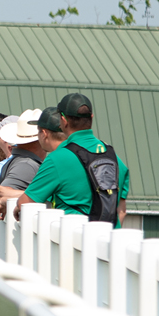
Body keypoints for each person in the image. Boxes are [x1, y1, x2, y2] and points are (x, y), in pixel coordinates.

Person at [15, 93, 130, 226]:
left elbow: (25, 203)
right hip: (109, 236)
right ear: (91, 117)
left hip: (73, 236)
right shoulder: (115, 158)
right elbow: (121, 211)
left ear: (63, 120)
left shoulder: (57, 159)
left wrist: (16, 206)